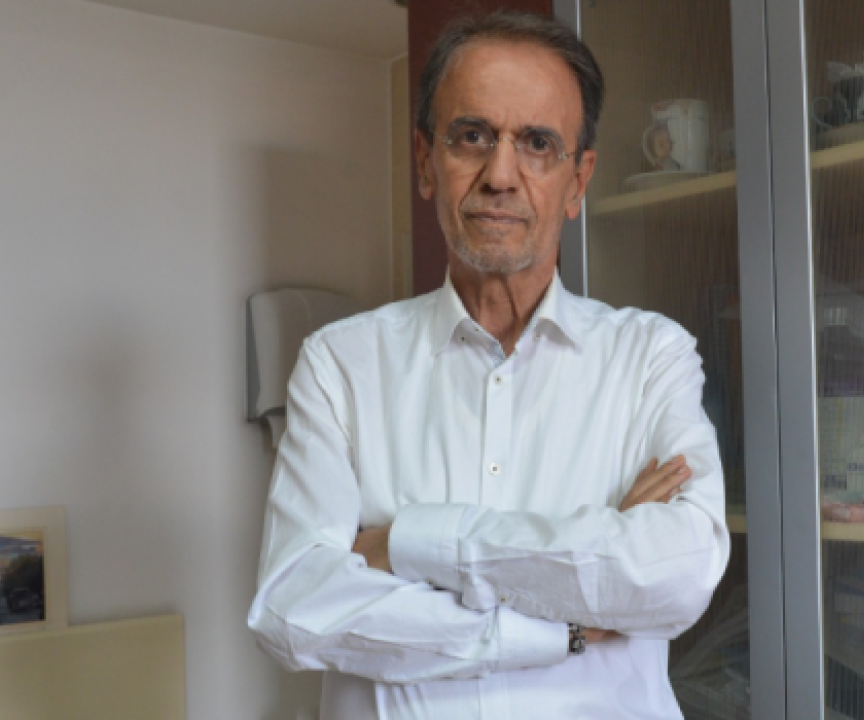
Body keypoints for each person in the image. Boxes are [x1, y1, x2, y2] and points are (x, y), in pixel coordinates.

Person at [248, 11, 730, 719]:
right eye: (472, 136)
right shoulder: (340, 364)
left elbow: (675, 577)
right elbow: (293, 610)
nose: (501, 175)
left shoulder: (651, 357)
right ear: (425, 161)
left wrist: (405, 543)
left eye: (538, 143)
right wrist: (560, 621)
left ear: (578, 181)